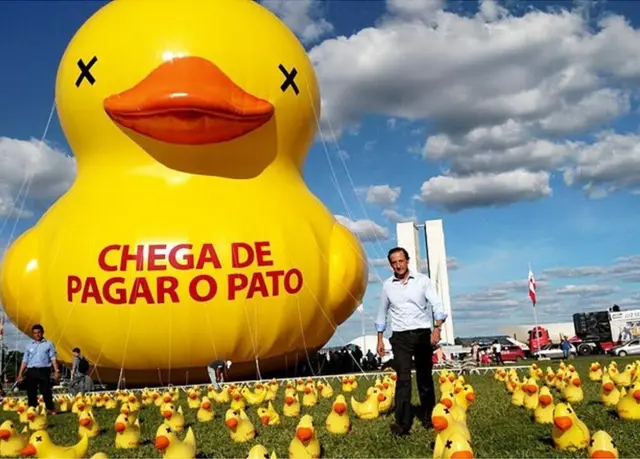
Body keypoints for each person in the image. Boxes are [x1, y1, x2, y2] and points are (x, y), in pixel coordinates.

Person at [376, 247, 448, 437]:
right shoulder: (387, 286)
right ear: (390, 264)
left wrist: (437, 328)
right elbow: (382, 313)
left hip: (422, 334)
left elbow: (438, 305)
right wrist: (380, 339)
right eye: (394, 262)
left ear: (407, 261)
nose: (398, 265)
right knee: (403, 380)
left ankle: (428, 416)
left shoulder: (423, 281)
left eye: (401, 261)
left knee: (424, 377)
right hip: (400, 337)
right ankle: (402, 424)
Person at [15, 324, 60, 413]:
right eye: (35, 333)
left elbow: (53, 358)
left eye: (39, 332)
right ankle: (32, 409)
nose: (37, 335)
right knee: (31, 391)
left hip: (44, 370)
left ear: (42, 333)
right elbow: (25, 360)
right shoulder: (28, 346)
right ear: (32, 334)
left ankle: (50, 408)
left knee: (46, 390)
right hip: (31, 370)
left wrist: (56, 371)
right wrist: (20, 374)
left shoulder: (49, 344)